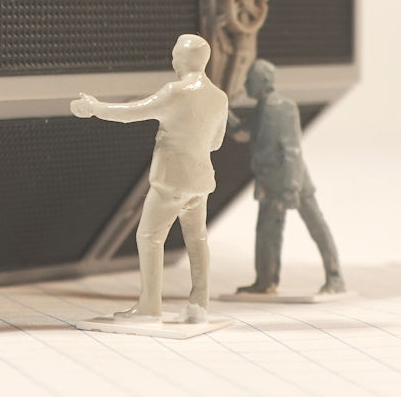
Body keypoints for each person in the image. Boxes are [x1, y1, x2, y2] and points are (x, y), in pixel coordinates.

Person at [72, 34, 229, 323]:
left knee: (149, 237)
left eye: (175, 56)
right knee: (197, 239)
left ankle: (149, 305)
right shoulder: (219, 97)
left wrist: (95, 108)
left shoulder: (174, 91)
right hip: (200, 179)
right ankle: (200, 303)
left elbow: (132, 112)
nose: (173, 61)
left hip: (172, 179)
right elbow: (216, 143)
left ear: (181, 60)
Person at [228, 59, 346, 295]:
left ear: (264, 81)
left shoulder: (283, 107)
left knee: (316, 227)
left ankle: (335, 277)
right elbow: (241, 133)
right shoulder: (261, 109)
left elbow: (292, 150)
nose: (245, 84)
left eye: (249, 80)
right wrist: (223, 110)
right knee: (266, 234)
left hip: (293, 181)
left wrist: (291, 188)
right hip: (268, 183)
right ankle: (265, 281)